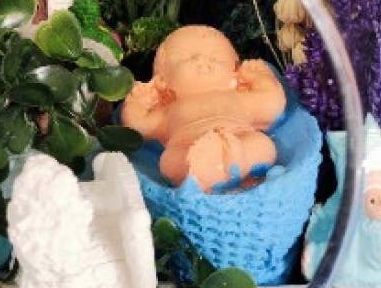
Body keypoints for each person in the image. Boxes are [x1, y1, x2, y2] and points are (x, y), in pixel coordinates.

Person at [122, 25, 285, 191]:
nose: (202, 59)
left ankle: (230, 163)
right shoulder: (169, 110)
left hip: (239, 137)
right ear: (163, 79)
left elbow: (272, 104)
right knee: (170, 163)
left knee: (263, 145)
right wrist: (137, 102)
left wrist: (260, 78)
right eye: (186, 57)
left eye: (216, 57)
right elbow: (138, 127)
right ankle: (211, 169)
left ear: (234, 73)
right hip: (189, 147)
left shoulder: (237, 98)